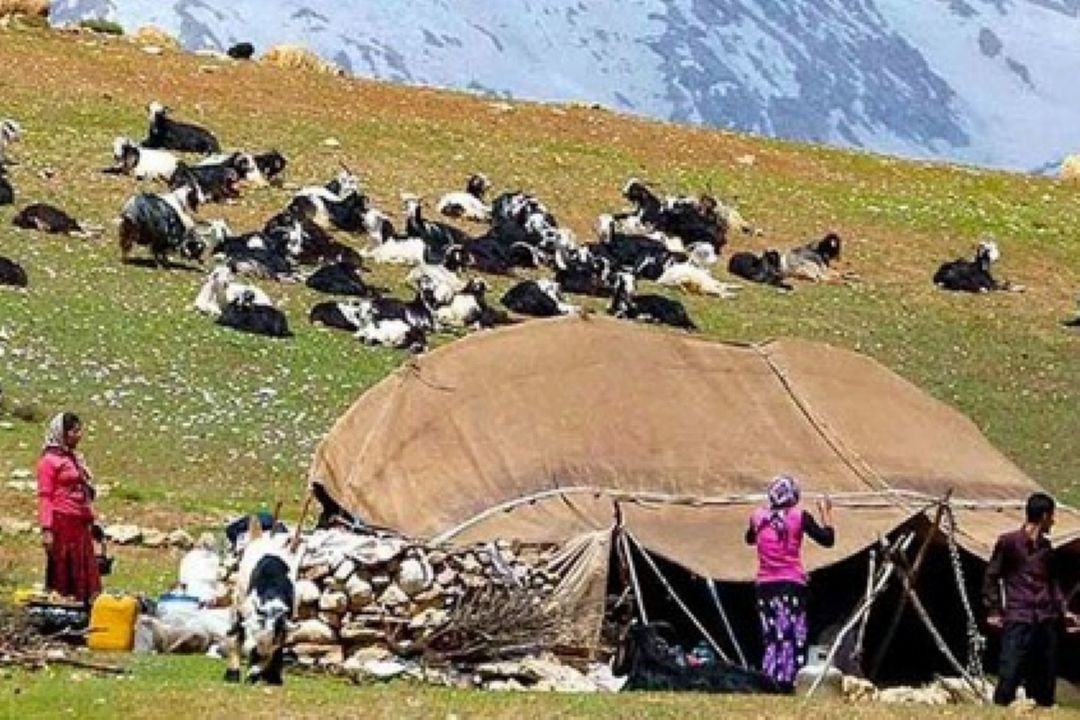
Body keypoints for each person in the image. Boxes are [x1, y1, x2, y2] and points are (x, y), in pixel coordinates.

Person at [983, 492, 1079, 708]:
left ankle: (1042, 708)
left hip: (1045, 618)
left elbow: (1052, 584)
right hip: (1019, 615)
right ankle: (1001, 708)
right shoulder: (1009, 543)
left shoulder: (1047, 549)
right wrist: (994, 609)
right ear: (1044, 516)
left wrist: (1065, 611)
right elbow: (992, 576)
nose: (1053, 521)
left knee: (1045, 674)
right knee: (1011, 669)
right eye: (1052, 516)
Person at [745, 474, 835, 692]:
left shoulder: (757, 517)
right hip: (790, 584)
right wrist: (826, 513)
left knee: (772, 635)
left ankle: (769, 680)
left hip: (765, 586)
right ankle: (786, 682)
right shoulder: (798, 517)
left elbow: (749, 539)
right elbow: (828, 540)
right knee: (792, 636)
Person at [36, 412, 101, 605]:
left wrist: (92, 518)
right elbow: (45, 496)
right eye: (74, 430)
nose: (79, 435)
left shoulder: (73, 459)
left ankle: (85, 607)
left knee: (84, 568)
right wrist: (47, 529)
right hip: (62, 521)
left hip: (79, 522)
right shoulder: (49, 461)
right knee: (64, 568)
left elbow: (84, 490)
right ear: (62, 433)